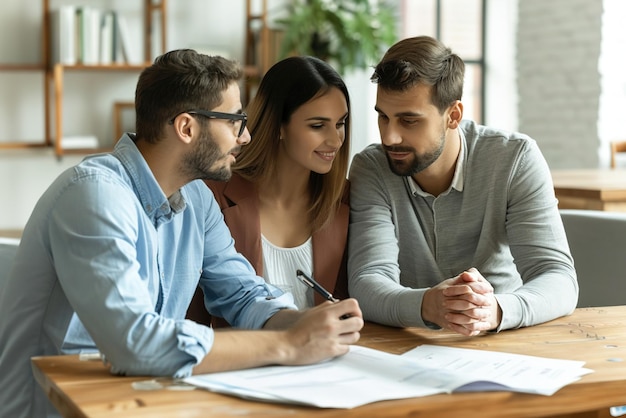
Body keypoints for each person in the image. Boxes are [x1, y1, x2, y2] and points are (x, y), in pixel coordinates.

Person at [0, 49, 362, 418]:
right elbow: (134, 343)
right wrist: (286, 344)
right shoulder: (94, 194)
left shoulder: (196, 199)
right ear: (187, 127)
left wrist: (303, 322)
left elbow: (242, 293)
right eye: (235, 121)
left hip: (138, 401)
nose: (247, 137)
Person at [347, 36, 578, 336]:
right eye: (383, 117)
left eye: (409, 121)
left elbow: (558, 277)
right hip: (408, 344)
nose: (389, 137)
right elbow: (367, 282)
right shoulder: (372, 168)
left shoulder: (514, 158)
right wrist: (429, 305)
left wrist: (495, 310)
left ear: (453, 115)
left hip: (505, 338)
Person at [187, 56, 351, 327]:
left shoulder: (348, 199)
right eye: (318, 125)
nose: (335, 140)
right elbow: (192, 315)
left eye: (340, 123)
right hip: (236, 363)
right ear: (278, 126)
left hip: (329, 362)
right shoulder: (211, 196)